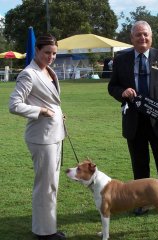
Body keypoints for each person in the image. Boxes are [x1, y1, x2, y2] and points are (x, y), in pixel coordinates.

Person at [108, 21, 158, 217]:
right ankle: (141, 203)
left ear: (151, 37)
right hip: (134, 122)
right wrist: (122, 92)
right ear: (131, 38)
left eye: (146, 35)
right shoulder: (121, 59)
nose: (142, 38)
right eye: (138, 35)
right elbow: (112, 86)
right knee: (140, 165)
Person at [9, 34, 66, 240]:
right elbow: (14, 105)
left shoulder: (47, 70)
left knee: (52, 184)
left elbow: (52, 101)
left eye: (54, 53)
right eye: (47, 53)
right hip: (41, 138)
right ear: (37, 51)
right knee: (45, 185)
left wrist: (58, 113)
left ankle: (47, 227)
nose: (51, 57)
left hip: (54, 134)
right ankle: (44, 233)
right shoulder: (28, 74)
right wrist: (40, 110)